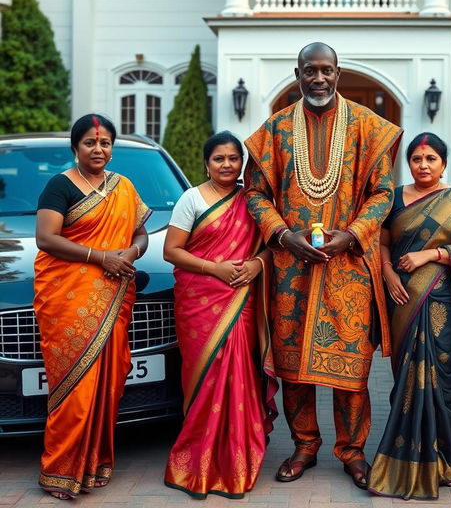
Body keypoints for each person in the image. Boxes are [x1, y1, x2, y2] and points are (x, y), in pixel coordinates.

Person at [244, 42, 402, 489]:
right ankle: (304, 446)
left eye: (326, 70)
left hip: (348, 266)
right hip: (291, 267)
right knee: (293, 365)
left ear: (338, 72)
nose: (318, 78)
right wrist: (282, 234)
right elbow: (254, 193)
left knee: (352, 367)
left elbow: (383, 193)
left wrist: (351, 235)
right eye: (310, 70)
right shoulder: (273, 130)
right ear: (297, 73)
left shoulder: (368, 127)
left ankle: (352, 452)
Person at [367, 132, 451, 500]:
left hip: (442, 301)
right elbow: (382, 242)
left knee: (442, 377)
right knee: (406, 377)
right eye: (417, 159)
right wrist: (389, 274)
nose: (423, 165)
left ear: (443, 163)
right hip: (401, 298)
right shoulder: (393, 198)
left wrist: (430, 256)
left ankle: (446, 456)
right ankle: (404, 454)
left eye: (431, 159)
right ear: (408, 163)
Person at [34, 114, 150, 500]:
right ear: (76, 148)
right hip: (71, 300)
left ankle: (95, 463)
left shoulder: (124, 187)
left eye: (104, 143)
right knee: (75, 387)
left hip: (113, 297)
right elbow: (46, 239)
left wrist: (130, 253)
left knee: (108, 385)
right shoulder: (59, 185)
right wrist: (102, 257)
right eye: (89, 143)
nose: (98, 149)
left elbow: (140, 231)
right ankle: (61, 471)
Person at [163, 131, 278, 499]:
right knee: (205, 376)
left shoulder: (255, 201)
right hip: (200, 300)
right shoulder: (191, 198)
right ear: (206, 163)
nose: (227, 165)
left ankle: (236, 458)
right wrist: (215, 269)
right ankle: (195, 462)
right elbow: (171, 251)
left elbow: (272, 246)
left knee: (239, 376)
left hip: (242, 299)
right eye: (219, 159)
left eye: (233, 158)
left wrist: (258, 265)